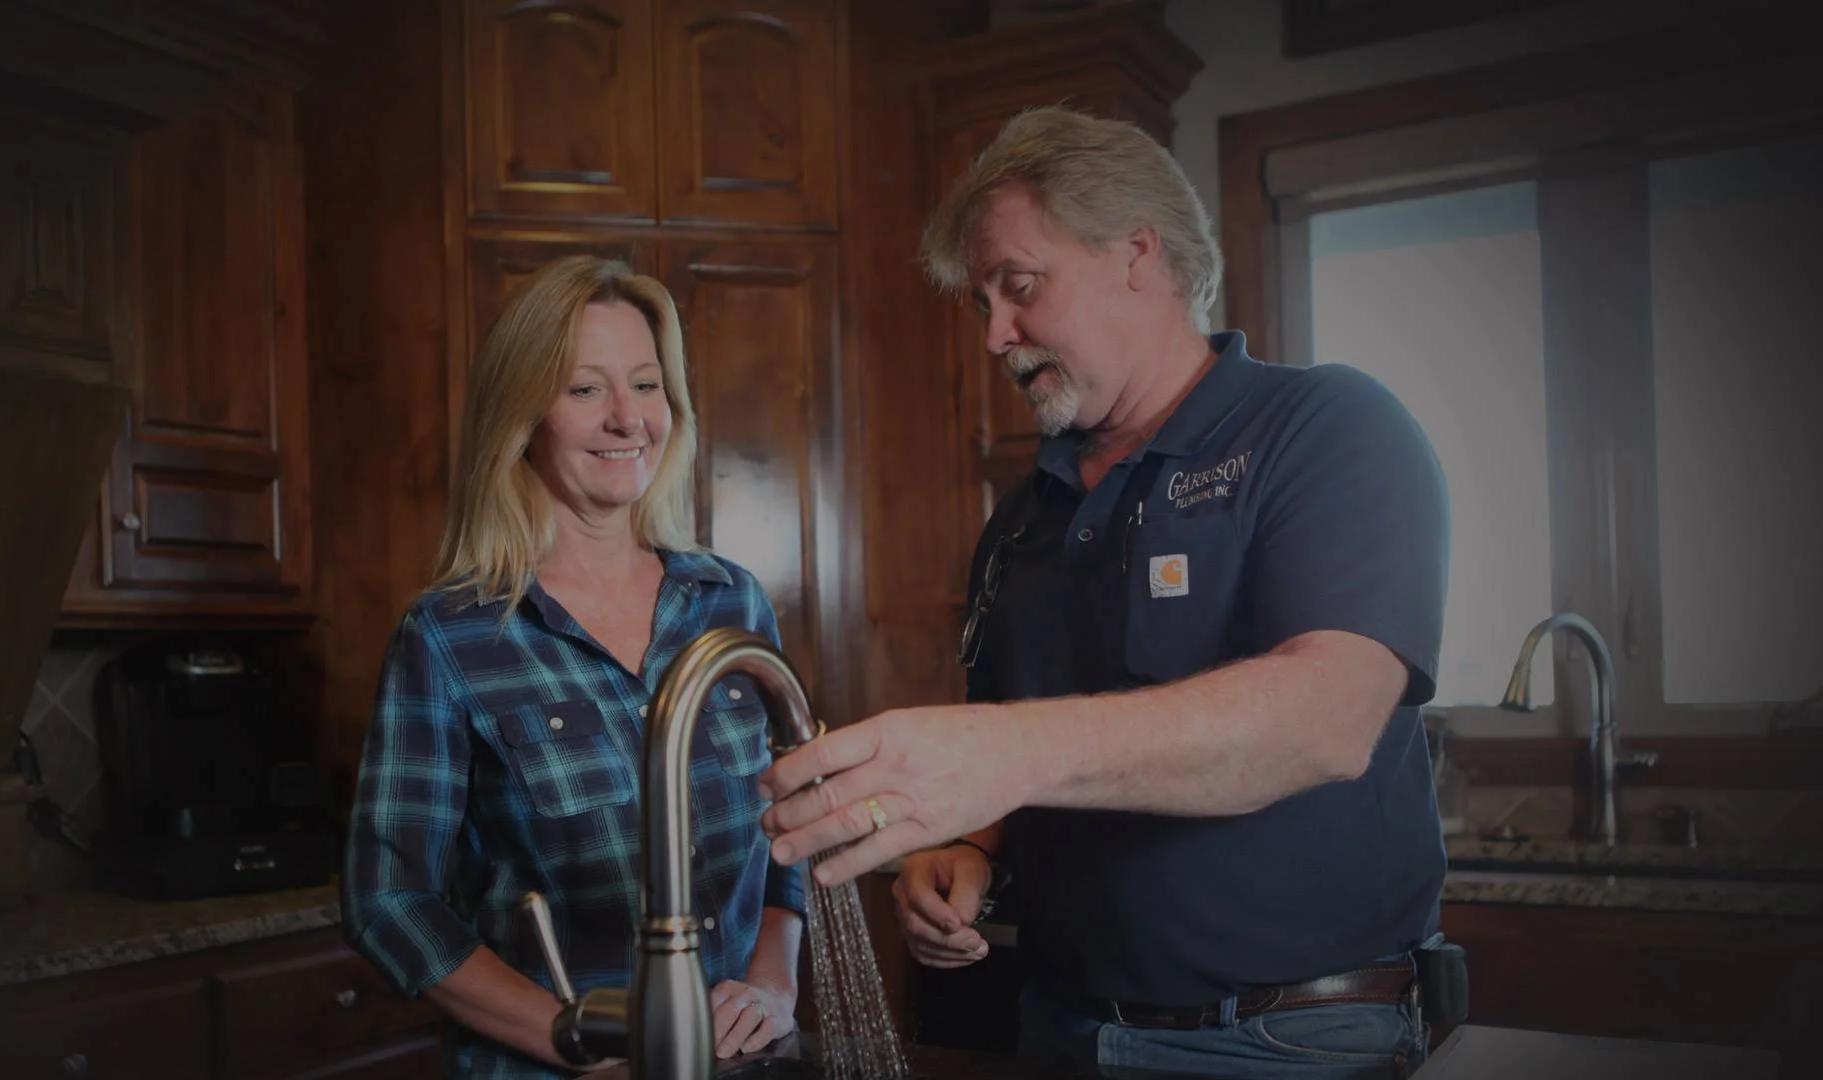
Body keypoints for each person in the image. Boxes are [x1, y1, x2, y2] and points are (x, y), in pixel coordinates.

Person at [758, 107, 1452, 1079]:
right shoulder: (1020, 521)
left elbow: (1328, 720)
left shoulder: (1326, 428)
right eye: (980, 303)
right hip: (1058, 1029)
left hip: (1287, 1039)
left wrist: (1006, 753)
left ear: (1136, 254)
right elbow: (1017, 756)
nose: (996, 334)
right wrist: (969, 850)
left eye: (1019, 287)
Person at [343, 255, 805, 1079]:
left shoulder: (730, 602)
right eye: (586, 389)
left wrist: (771, 986)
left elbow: (793, 829)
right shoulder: (451, 636)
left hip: (736, 1064)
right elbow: (388, 902)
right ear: (522, 415)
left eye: (647, 385)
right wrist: (572, 1036)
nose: (629, 419)